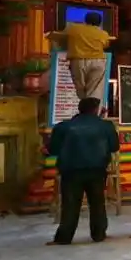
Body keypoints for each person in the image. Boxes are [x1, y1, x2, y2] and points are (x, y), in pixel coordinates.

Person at [47, 97, 120, 245]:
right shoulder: (106, 126)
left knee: (70, 204)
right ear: (95, 110)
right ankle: (99, 234)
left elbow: (53, 149)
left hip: (71, 171)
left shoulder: (63, 127)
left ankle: (64, 237)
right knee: (97, 202)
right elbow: (114, 147)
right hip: (97, 170)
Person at [48, 12, 113, 103]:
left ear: (85, 20)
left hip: (78, 61)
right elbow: (105, 45)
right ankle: (92, 113)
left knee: (81, 90)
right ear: (99, 23)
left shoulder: (73, 28)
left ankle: (84, 107)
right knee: (94, 91)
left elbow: (59, 37)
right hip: (98, 62)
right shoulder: (103, 34)